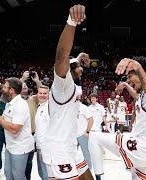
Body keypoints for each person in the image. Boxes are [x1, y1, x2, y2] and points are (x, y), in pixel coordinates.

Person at [40, 4, 93, 179]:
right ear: (69, 71)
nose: (82, 69)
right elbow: (62, 56)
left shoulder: (72, 82)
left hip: (70, 144)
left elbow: (69, 62)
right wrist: (71, 22)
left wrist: (78, 58)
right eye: (78, 66)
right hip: (59, 149)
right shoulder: (63, 85)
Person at [89, 56, 146, 180]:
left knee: (94, 136)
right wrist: (125, 85)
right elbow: (137, 95)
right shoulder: (143, 94)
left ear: (141, 73)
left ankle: (98, 177)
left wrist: (138, 67)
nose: (129, 79)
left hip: (142, 149)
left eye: (130, 75)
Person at [0, 77, 35, 180]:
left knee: (18, 176)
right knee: (8, 174)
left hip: (20, 148)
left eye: (5, 87)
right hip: (10, 147)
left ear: (11, 90)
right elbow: (6, 122)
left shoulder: (20, 105)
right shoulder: (9, 104)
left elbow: (15, 129)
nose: (2, 89)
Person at [34, 85, 50, 180]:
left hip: (46, 147)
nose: (42, 95)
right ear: (37, 94)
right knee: (42, 172)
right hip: (39, 146)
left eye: (45, 93)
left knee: (46, 174)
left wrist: (45, 147)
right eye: (40, 93)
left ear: (48, 95)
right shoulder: (40, 107)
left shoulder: (49, 108)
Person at [76, 97, 94, 169]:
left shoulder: (83, 107)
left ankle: (89, 169)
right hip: (71, 136)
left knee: (86, 153)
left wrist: (87, 131)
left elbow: (91, 119)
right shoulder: (69, 107)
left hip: (82, 134)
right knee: (72, 154)